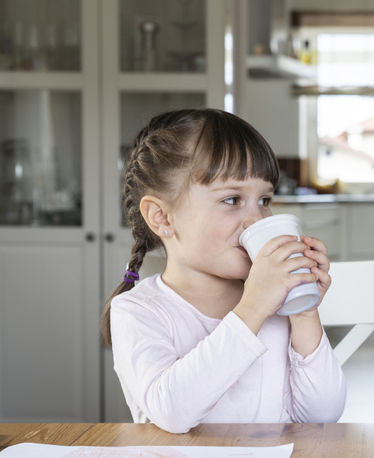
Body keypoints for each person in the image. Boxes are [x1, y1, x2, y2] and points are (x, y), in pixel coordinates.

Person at [100, 109, 345, 433]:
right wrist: (254, 307)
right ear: (161, 217)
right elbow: (173, 412)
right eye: (232, 199)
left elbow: (321, 413)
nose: (257, 219)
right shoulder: (138, 310)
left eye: (265, 199)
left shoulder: (278, 307)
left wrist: (303, 310)